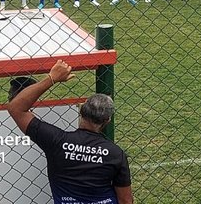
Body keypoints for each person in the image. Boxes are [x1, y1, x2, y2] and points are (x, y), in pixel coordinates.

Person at [7, 60, 133, 204]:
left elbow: (16, 108)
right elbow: (125, 200)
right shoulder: (115, 154)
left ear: (81, 110)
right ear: (107, 121)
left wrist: (52, 78)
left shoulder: (57, 141)